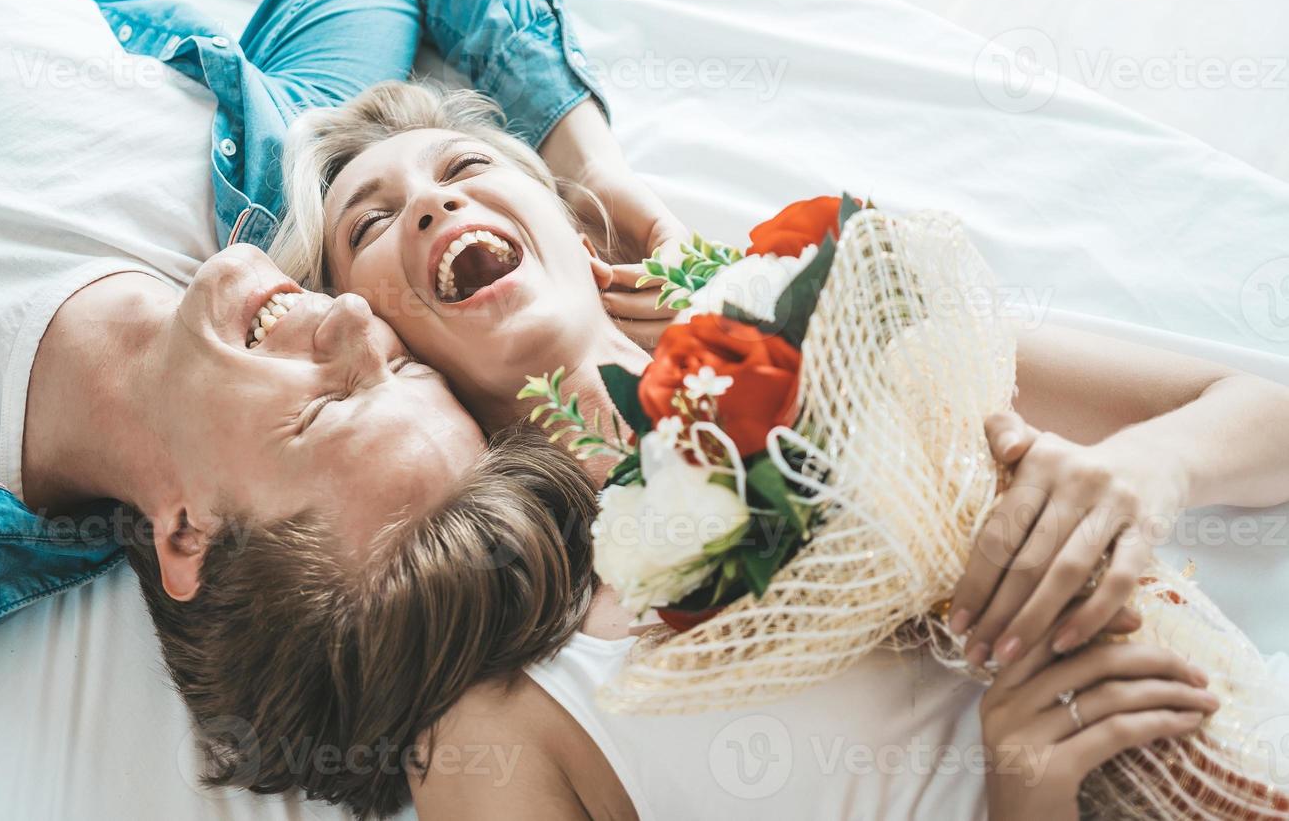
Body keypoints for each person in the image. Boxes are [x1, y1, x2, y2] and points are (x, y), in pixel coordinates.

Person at [0, 0, 665, 802]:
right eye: (403, 363)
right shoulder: (279, 179)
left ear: (189, 533)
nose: (349, 316)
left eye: (326, 411)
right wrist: (595, 171)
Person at [269, 79, 1289, 819]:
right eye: (373, 221)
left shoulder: (851, 322)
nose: (436, 204)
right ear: (377, 342)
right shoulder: (495, 719)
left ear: (580, 235)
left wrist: (1153, 467)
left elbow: (1262, 417)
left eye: (466, 167)